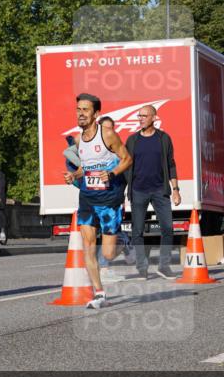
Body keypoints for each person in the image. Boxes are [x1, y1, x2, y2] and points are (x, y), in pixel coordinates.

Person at [63, 93, 132, 308]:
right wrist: (75, 175)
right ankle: (99, 292)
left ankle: (124, 241)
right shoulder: (78, 139)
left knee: (108, 253)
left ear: (96, 114)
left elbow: (127, 159)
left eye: (85, 110)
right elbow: (87, 166)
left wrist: (111, 174)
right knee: (88, 246)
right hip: (87, 198)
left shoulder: (108, 135)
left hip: (109, 199)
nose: (80, 114)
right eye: (78, 109)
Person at [125, 104, 180, 280]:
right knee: (137, 232)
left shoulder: (164, 139)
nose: (140, 118)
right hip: (138, 191)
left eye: (144, 115)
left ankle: (164, 267)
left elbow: (171, 164)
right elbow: (125, 164)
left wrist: (175, 190)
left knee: (168, 228)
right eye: (139, 116)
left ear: (154, 118)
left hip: (160, 190)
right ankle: (142, 268)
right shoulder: (132, 140)